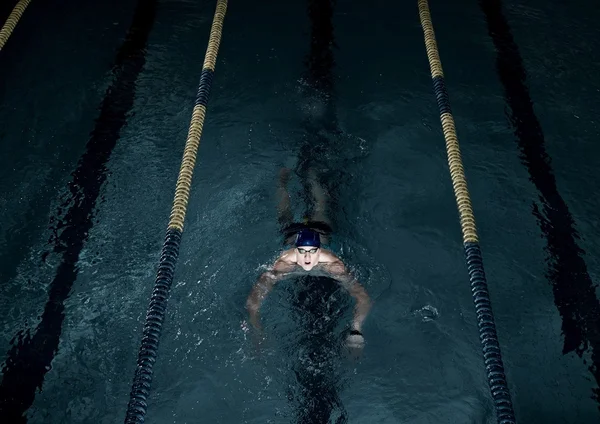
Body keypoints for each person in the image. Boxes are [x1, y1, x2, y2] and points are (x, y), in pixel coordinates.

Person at [245, 168, 372, 351]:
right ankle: (282, 178)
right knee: (284, 212)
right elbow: (253, 301)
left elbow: (363, 297)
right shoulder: (283, 265)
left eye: (312, 252)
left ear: (318, 251)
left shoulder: (333, 266)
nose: (306, 257)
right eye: (302, 252)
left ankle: (311, 173)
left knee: (320, 205)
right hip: (293, 232)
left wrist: (356, 330)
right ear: (295, 251)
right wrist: (256, 330)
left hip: (321, 230)